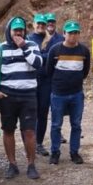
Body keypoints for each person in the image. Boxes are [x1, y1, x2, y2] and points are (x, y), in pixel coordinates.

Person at [0, 16, 44, 180]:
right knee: (8, 130)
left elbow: (38, 64)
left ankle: (31, 165)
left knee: (29, 131)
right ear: (9, 31)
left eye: (21, 30)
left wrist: (24, 48)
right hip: (8, 96)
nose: (19, 33)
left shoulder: (32, 46)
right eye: (15, 30)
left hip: (28, 95)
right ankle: (12, 164)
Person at [46, 20, 90, 165]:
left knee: (76, 124)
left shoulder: (84, 51)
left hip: (76, 94)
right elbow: (49, 71)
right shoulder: (55, 50)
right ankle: (55, 152)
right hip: (58, 94)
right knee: (56, 125)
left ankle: (74, 152)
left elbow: (85, 71)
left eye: (76, 33)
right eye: (70, 33)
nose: (73, 36)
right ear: (64, 34)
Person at [31, 13, 63, 157]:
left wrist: (39, 56)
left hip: (47, 80)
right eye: (38, 23)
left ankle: (38, 143)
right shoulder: (29, 39)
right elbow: (28, 58)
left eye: (43, 24)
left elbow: (55, 57)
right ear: (33, 24)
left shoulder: (51, 40)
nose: (41, 26)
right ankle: (30, 142)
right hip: (31, 80)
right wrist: (45, 56)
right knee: (31, 113)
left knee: (43, 112)